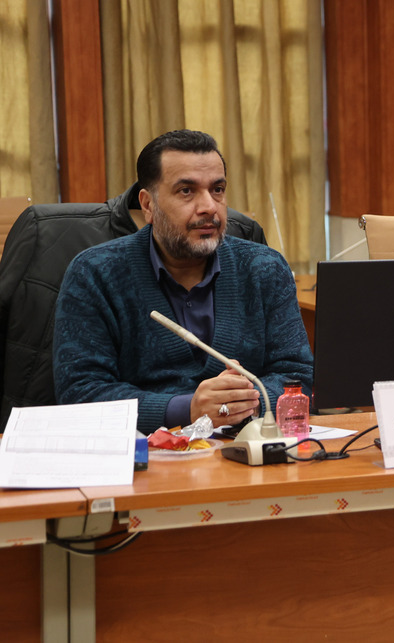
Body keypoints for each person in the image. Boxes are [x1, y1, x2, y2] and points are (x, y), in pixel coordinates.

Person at [53, 130, 312, 434]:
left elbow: (299, 377)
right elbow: (80, 394)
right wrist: (186, 409)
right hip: (147, 453)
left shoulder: (265, 268)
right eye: (187, 191)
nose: (209, 207)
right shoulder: (95, 273)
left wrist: (242, 403)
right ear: (148, 205)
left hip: (244, 445)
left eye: (217, 190)